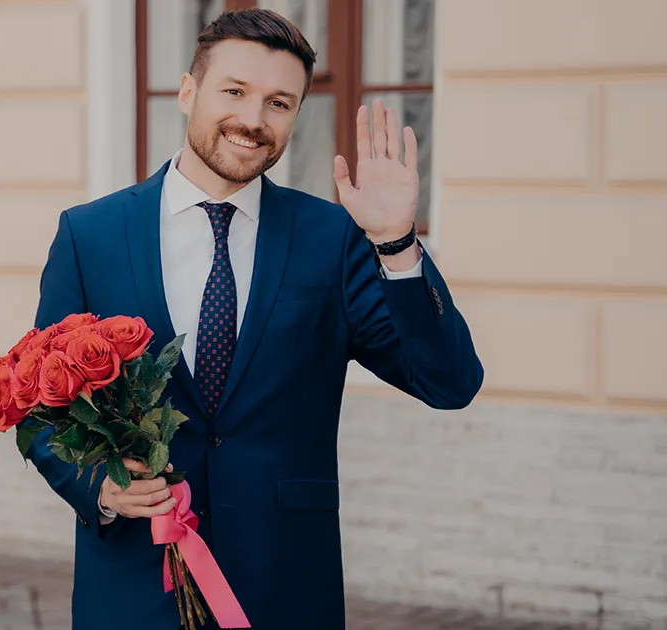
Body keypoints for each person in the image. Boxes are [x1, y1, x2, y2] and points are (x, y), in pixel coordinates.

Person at [25, 8, 482, 629]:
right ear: (189, 92)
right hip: (134, 588)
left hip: (284, 589)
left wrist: (396, 244)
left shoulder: (332, 239)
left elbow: (449, 383)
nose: (254, 119)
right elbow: (40, 407)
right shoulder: (90, 235)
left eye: (279, 103)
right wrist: (99, 487)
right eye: (234, 92)